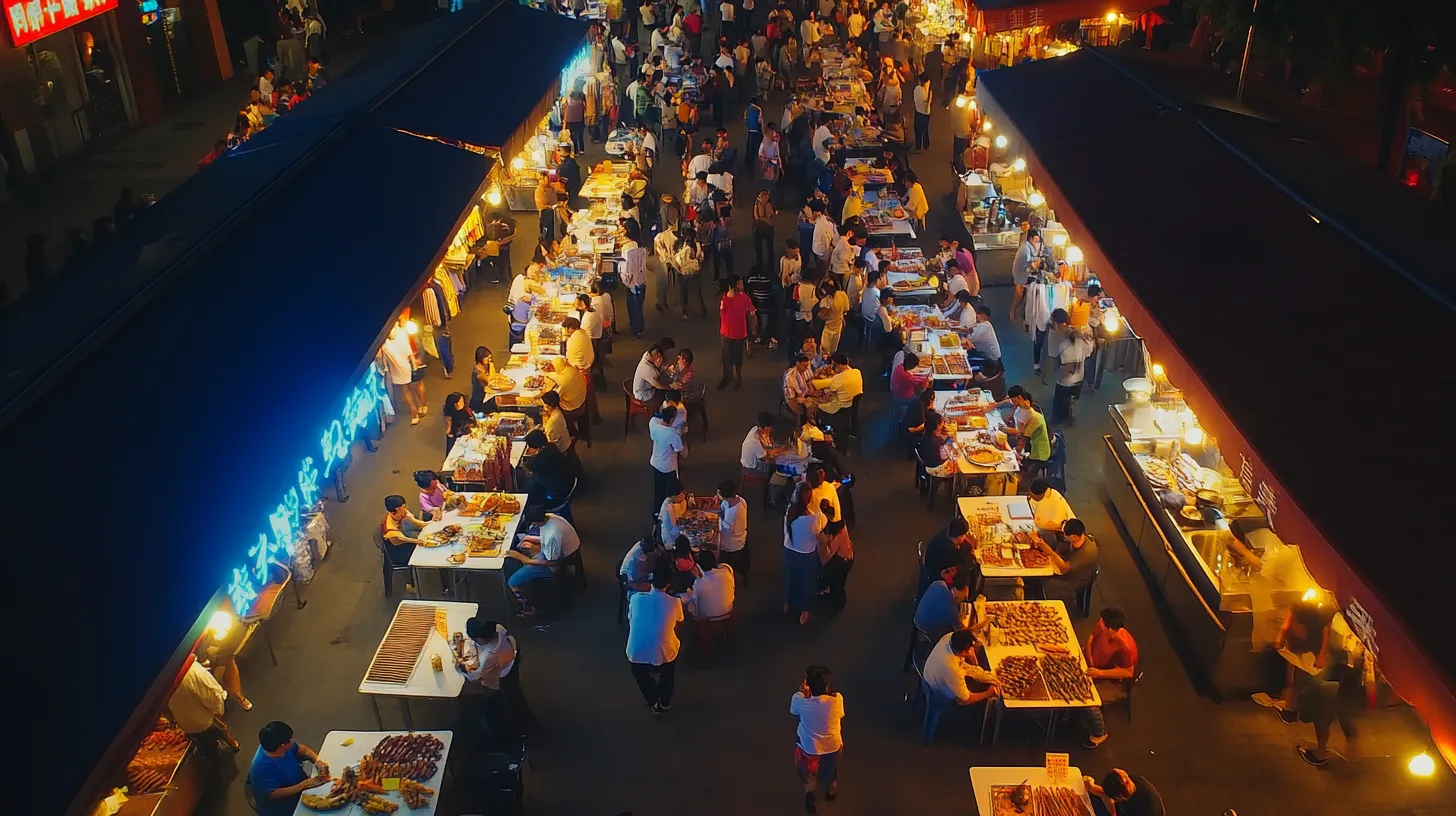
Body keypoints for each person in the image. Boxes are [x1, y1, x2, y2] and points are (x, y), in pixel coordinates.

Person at [1076, 607, 1138, 749]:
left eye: (1102, 622)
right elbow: (1091, 637)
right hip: (1095, 666)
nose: (1099, 623)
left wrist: (1100, 673)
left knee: (1088, 699)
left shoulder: (1125, 647)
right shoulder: (1102, 625)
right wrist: (1089, 657)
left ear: (1109, 627)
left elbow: (1128, 672)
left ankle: (1099, 733)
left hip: (1114, 680)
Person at [626, 567, 685, 713]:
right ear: (669, 584)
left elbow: (630, 619)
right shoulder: (674, 602)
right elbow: (680, 620)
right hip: (665, 654)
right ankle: (665, 699)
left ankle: (652, 699)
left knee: (638, 672)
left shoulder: (636, 598)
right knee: (670, 660)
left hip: (637, 653)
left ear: (651, 581)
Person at [503, 508, 581, 616]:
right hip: (557, 551)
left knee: (513, 582)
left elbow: (553, 562)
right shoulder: (551, 517)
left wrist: (525, 559)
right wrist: (531, 540)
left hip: (556, 562)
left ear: (535, 522)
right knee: (522, 543)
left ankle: (529, 609)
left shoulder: (553, 534)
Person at [790, 665, 844, 814]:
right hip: (832, 746)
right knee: (831, 769)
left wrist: (804, 693)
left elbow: (794, 711)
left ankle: (810, 794)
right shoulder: (837, 700)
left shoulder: (799, 700)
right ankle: (831, 789)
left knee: (808, 773)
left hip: (809, 746)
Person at [249, 721, 329, 816]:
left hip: (302, 786)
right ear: (282, 746)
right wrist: (303, 785)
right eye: (290, 740)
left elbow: (303, 750)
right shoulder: (261, 768)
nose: (292, 741)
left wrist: (317, 760)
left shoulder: (279, 744)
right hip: (283, 806)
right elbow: (271, 795)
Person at [168, 657, 240, 753]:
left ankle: (213, 754)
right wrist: (219, 712)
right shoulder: (194, 671)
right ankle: (232, 745)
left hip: (186, 725)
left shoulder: (163, 681)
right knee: (221, 730)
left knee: (207, 744)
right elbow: (214, 696)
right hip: (206, 721)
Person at [783, 484, 827, 625]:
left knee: (791, 578)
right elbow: (822, 539)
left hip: (789, 551)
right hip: (806, 555)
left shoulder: (789, 511)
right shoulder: (813, 519)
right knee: (806, 583)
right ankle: (804, 612)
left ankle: (787, 603)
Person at [923, 630, 999, 707]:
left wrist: (976, 667)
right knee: (964, 698)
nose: (971, 650)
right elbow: (967, 699)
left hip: (933, 669)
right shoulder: (952, 669)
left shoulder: (950, 637)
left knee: (978, 673)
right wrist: (988, 693)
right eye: (969, 649)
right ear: (963, 651)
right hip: (935, 688)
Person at [1036, 517, 1099, 605]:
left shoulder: (1086, 552)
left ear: (1074, 537)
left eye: (1066, 536)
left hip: (1075, 578)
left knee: (1048, 583)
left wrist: (1049, 552)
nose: (1064, 537)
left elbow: (1064, 568)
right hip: (1066, 566)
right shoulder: (1075, 540)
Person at [518, 430, 570, 516]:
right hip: (565, 482)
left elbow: (534, 468)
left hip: (557, 491)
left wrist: (525, 465)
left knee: (529, 486)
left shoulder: (544, 455)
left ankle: (531, 510)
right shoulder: (551, 446)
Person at [719, 274, 756, 389]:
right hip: (725, 333)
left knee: (738, 359)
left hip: (739, 334)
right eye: (740, 284)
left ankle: (738, 378)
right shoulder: (724, 298)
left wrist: (753, 327)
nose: (742, 286)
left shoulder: (744, 298)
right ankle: (727, 378)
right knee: (726, 358)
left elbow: (751, 313)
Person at [914, 570, 973, 642]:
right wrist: (977, 627)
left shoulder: (939, 583)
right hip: (925, 630)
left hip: (918, 619)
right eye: (965, 597)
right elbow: (961, 631)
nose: (964, 599)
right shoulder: (951, 607)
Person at [649, 404, 687, 510]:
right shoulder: (672, 434)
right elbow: (683, 454)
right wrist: (684, 437)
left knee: (659, 490)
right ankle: (671, 512)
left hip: (655, 462)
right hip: (668, 467)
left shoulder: (653, 422)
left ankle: (657, 512)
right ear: (671, 420)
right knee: (674, 492)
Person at [817, 503, 854, 609]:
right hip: (848, 555)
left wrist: (822, 541)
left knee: (837, 583)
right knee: (838, 582)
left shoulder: (837, 535)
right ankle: (836, 599)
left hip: (843, 561)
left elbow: (827, 556)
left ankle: (838, 603)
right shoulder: (840, 524)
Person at [1009, 390, 1051, 482]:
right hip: (1031, 446)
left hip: (1039, 454)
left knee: (1021, 477)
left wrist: (1015, 451)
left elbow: (1023, 436)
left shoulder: (1034, 418)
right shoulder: (1028, 413)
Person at [1084, 769, 1165, 816]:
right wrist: (1091, 787)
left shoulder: (1131, 808)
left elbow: (1110, 807)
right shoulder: (1133, 782)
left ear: (1119, 798)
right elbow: (1105, 794)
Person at [683, 549, 735, 620]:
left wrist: (697, 577)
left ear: (699, 566)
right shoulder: (727, 571)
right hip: (728, 611)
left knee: (686, 599)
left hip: (707, 617)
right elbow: (723, 566)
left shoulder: (699, 583)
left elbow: (696, 603)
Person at [717, 480, 750, 577]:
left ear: (725, 496)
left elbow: (726, 528)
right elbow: (724, 506)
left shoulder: (733, 512)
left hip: (733, 543)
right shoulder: (741, 500)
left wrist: (718, 518)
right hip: (740, 535)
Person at [1028, 477, 1076, 542]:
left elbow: (1059, 525)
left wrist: (1040, 524)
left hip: (1060, 534)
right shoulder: (1042, 495)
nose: (1030, 496)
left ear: (1042, 494)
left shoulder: (1055, 500)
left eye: (1032, 495)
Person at [621, 234, 649, 337]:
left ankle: (637, 329)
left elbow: (625, 268)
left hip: (633, 283)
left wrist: (626, 281)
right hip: (641, 282)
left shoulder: (627, 250)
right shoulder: (642, 249)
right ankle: (638, 326)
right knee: (637, 306)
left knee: (634, 307)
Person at [912, 72, 932, 151]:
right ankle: (925, 145)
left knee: (918, 130)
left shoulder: (918, 89)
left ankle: (918, 147)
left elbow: (919, 98)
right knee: (925, 129)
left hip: (919, 112)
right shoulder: (928, 89)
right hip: (927, 112)